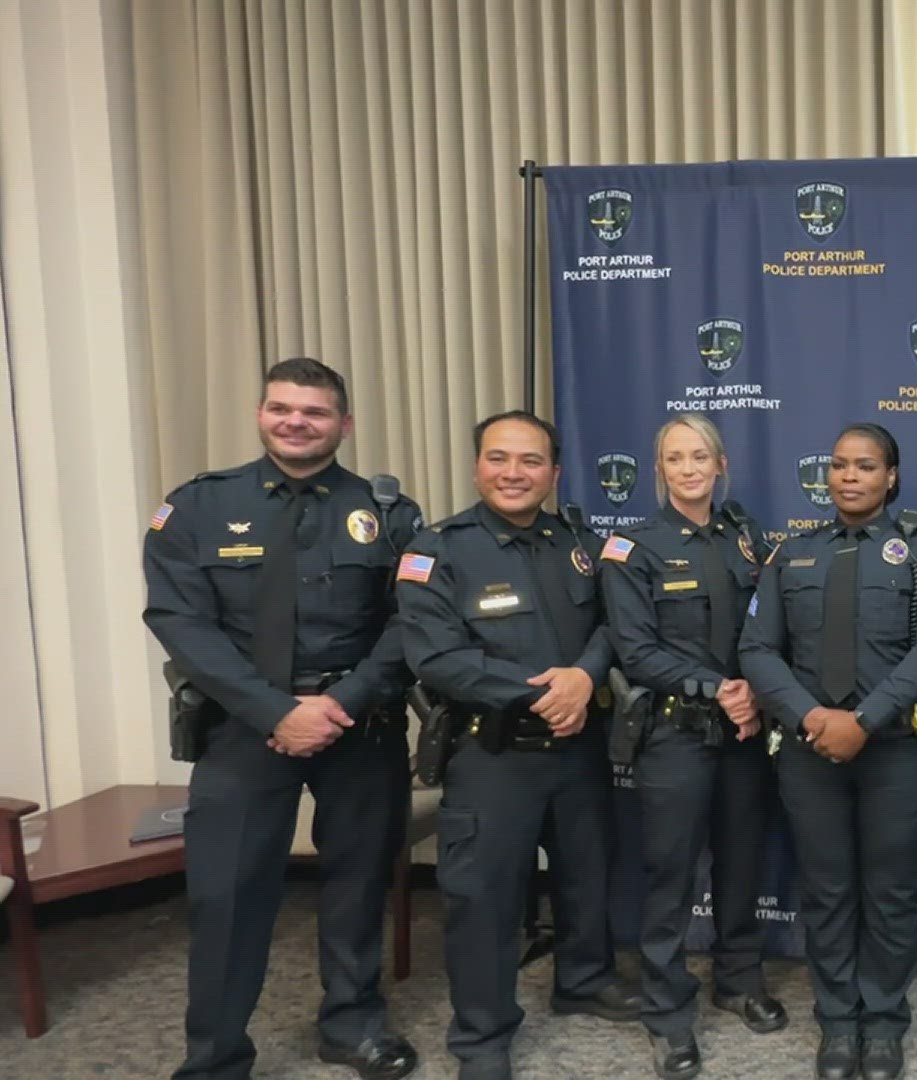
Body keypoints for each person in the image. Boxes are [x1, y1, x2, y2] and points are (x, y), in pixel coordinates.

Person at [143, 357, 422, 1080]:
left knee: (360, 882)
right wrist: (274, 709)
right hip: (245, 724)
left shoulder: (389, 513)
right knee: (226, 892)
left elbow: (411, 624)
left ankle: (353, 1025)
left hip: (359, 723)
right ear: (262, 412)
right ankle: (215, 1056)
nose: (296, 421)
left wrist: (341, 704)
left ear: (344, 424)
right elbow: (181, 622)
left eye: (315, 411)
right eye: (281, 408)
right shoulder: (197, 507)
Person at [396, 411, 645, 1080]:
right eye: (499, 459)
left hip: (577, 750)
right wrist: (542, 693)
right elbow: (435, 657)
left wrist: (584, 676)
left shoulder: (579, 544)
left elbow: (611, 624)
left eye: (531, 461)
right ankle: (481, 1034)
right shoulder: (437, 549)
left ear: (554, 473)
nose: (514, 473)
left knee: (586, 874)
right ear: (477, 467)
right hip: (494, 755)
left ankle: (584, 978)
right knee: (483, 898)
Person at [739, 422, 917, 1080]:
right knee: (828, 891)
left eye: (865, 466)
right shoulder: (792, 556)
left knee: (892, 893)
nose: (849, 476)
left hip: (897, 749)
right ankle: (838, 1023)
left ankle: (884, 1022)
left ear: (891, 477)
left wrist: (864, 718)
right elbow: (756, 650)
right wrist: (812, 715)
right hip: (811, 751)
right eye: (838, 465)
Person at [597, 414, 788, 1079]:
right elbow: (634, 648)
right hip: (674, 732)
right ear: (659, 470)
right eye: (674, 458)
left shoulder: (746, 537)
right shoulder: (632, 546)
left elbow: (769, 627)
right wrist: (717, 687)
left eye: (698, 456)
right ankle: (667, 1010)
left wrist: (757, 693)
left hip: (742, 733)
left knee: (742, 862)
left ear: (720, 464)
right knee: (669, 875)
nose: (687, 468)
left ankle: (738, 980)